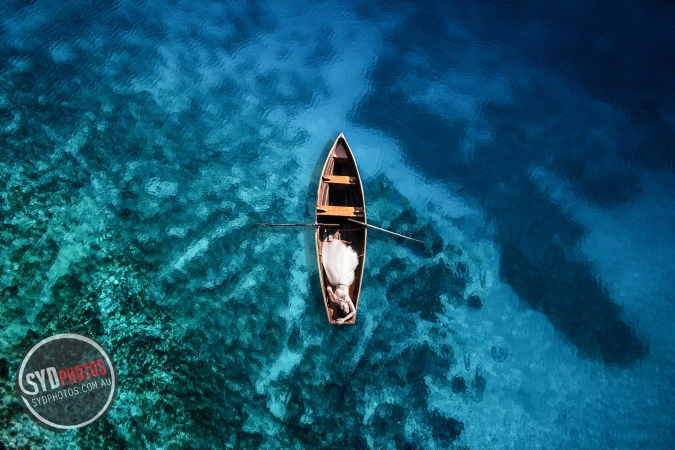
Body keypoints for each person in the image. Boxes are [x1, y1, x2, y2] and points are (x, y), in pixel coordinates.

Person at [321, 234, 359, 324]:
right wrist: (344, 319)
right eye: (348, 308)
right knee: (345, 261)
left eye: (347, 309)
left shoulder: (336, 300)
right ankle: (337, 245)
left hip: (337, 279)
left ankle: (333, 245)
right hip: (345, 279)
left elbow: (328, 288)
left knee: (333, 262)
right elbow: (354, 312)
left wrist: (331, 293)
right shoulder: (347, 299)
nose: (348, 308)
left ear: (342, 308)